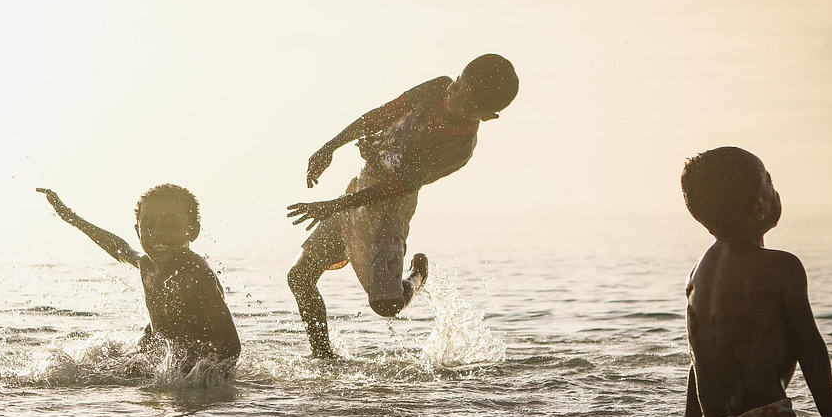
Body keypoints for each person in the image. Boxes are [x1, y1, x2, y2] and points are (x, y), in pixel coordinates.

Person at [285, 54, 519, 357]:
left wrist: (334, 205)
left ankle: (417, 275)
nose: (453, 97)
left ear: (487, 116)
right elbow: (382, 115)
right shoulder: (437, 87)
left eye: (466, 100)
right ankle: (323, 357)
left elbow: (396, 186)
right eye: (458, 85)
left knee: (386, 305)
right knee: (300, 277)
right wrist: (329, 147)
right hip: (362, 185)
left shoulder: (458, 149)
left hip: (389, 207)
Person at [680, 146, 832, 417]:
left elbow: (699, 353)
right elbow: (809, 345)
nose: (776, 190)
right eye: (770, 183)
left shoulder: (697, 274)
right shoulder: (782, 267)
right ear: (760, 207)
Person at [36, 184, 241, 371]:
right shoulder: (147, 265)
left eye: (170, 225)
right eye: (149, 225)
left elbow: (231, 346)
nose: (157, 233)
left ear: (193, 231)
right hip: (158, 352)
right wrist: (72, 218)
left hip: (193, 362)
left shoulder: (198, 274)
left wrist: (203, 380)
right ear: (138, 231)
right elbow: (118, 247)